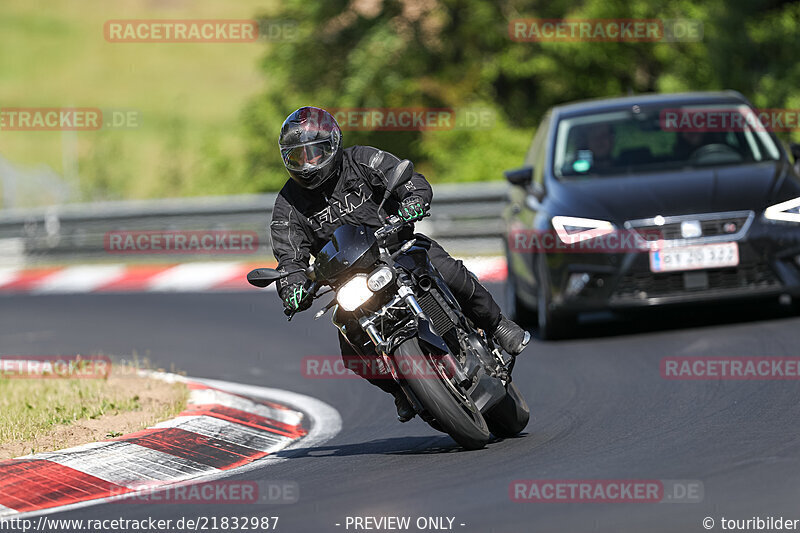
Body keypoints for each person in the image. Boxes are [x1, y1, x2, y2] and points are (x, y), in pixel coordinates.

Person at [270, 107, 530, 422]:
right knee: (350, 349)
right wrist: (292, 288)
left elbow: (411, 181)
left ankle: (497, 325)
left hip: (396, 249)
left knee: (447, 269)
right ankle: (401, 391)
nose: (309, 163)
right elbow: (289, 257)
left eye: (315, 153)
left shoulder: (363, 159)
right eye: (299, 157)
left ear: (334, 144)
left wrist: (412, 200)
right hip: (349, 281)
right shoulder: (288, 205)